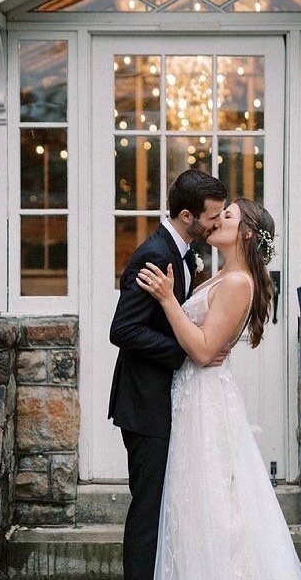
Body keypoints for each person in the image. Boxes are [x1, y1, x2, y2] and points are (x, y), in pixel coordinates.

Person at [137, 198, 301, 579]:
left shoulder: (236, 283)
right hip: (191, 395)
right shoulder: (222, 275)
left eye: (226, 216)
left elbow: (201, 350)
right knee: (191, 501)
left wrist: (167, 299)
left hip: (205, 399)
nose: (215, 221)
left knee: (210, 502)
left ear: (246, 233)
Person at [108, 169, 229, 580]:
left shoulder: (179, 251)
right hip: (145, 404)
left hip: (163, 400)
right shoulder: (155, 254)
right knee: (147, 510)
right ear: (186, 215)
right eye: (212, 216)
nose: (216, 222)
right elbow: (122, 330)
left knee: (161, 506)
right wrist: (184, 352)